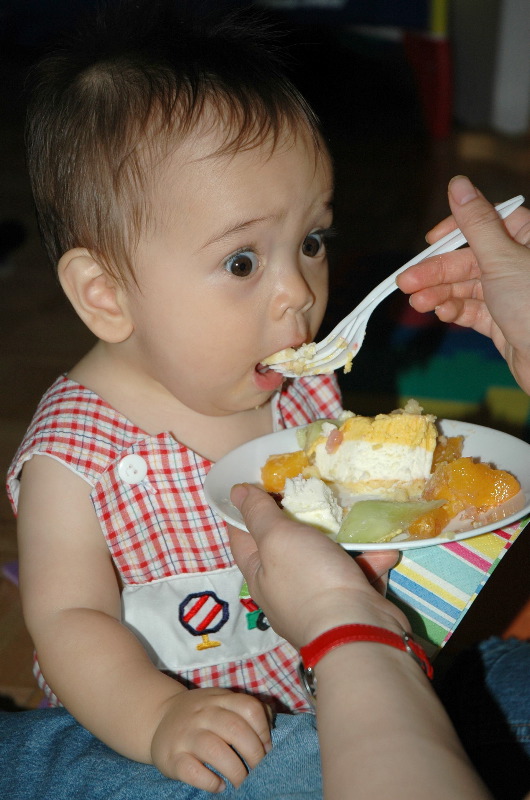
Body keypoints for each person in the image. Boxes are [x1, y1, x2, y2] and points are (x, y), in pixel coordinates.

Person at [6, 2, 344, 793]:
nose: (299, 292)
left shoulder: (302, 389)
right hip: (146, 737)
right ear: (106, 295)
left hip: (323, 689)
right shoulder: (74, 457)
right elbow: (69, 620)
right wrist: (158, 715)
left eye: (311, 241)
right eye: (242, 262)